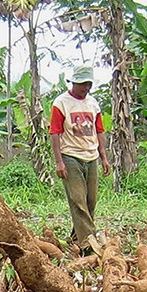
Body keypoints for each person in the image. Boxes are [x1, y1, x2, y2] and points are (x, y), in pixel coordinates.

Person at [49, 65, 110, 255]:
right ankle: (90, 244)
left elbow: (99, 130)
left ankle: (76, 239)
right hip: (70, 156)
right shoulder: (61, 103)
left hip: (91, 156)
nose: (86, 88)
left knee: (90, 201)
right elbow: (55, 133)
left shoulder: (93, 103)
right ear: (74, 83)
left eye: (89, 84)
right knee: (78, 201)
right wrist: (59, 162)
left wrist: (104, 157)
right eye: (83, 84)